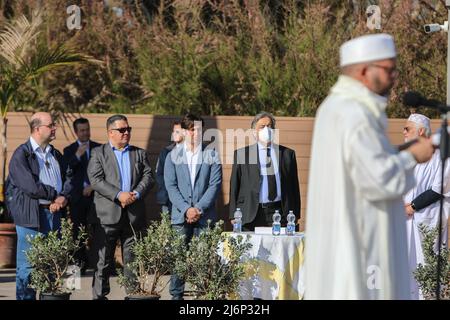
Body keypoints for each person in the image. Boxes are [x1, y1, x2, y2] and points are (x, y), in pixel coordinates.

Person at [304, 34, 435, 299]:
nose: (394, 77)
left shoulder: (338, 107)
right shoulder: (355, 114)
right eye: (388, 69)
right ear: (365, 70)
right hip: (360, 250)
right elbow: (381, 180)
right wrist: (413, 156)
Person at [6, 112, 73, 300]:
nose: (55, 128)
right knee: (28, 268)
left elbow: (69, 177)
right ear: (37, 129)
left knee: (54, 265)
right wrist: (54, 196)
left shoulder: (55, 153)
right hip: (31, 219)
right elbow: (30, 186)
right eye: (51, 125)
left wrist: (63, 197)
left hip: (56, 216)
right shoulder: (22, 154)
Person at [87, 114, 154, 300]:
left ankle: (133, 294)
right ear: (110, 132)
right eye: (121, 130)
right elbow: (96, 180)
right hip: (107, 215)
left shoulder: (139, 153)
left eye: (128, 129)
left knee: (132, 259)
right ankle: (100, 296)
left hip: (133, 215)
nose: (126, 133)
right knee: (103, 260)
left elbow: (148, 177)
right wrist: (119, 195)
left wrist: (135, 194)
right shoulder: (98, 153)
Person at [164, 113, 222, 300]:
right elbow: (170, 186)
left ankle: (203, 296)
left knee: (203, 259)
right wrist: (186, 209)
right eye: (192, 129)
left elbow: (214, 185)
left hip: (204, 216)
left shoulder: (211, 154)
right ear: (184, 131)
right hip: (180, 217)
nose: (196, 133)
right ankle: (176, 296)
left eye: (199, 129)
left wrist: (197, 209)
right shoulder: (172, 155)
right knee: (178, 258)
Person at [402, 113, 450, 299]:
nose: (404, 132)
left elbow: (439, 189)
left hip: (428, 222)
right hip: (407, 222)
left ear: (421, 131)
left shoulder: (440, 156)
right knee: (407, 266)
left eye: (408, 129)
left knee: (427, 266)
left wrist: (411, 207)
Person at [229, 111, 301, 230]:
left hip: (280, 213)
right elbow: (234, 186)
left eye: (270, 126)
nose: (267, 129)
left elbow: (294, 186)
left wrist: (296, 213)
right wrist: (232, 214)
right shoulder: (242, 154)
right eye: (262, 127)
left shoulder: (287, 154)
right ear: (254, 132)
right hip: (250, 214)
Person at [63, 118, 101, 273]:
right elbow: (66, 171)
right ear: (76, 132)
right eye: (82, 130)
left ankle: (100, 265)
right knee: (77, 233)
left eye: (87, 129)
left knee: (98, 231)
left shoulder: (99, 148)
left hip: (96, 198)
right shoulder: (69, 150)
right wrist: (77, 156)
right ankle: (78, 266)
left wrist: (93, 186)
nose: (86, 133)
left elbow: (105, 172)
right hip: (77, 199)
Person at [155, 120, 184, 214]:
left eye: (177, 131)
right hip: (167, 198)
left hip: (185, 198)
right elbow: (159, 174)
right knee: (167, 226)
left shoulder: (191, 152)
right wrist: (170, 189)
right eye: (173, 131)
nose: (174, 134)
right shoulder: (166, 151)